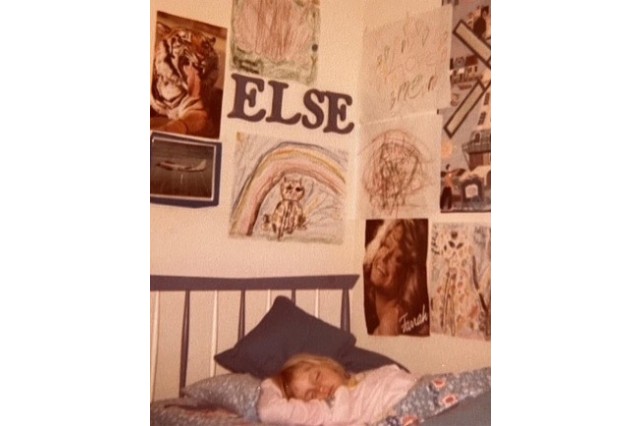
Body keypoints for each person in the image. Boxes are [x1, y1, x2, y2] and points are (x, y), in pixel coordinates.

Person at [257, 353, 419, 425]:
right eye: (311, 395)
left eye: (317, 377)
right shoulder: (325, 410)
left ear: (327, 364)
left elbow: (398, 381)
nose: (321, 389)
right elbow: (269, 411)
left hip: (424, 393)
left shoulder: (366, 376)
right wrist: (272, 383)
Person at [363, 219, 429, 336]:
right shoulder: (395, 317)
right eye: (385, 245)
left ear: (408, 276)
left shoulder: (389, 324)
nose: (384, 258)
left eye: (397, 259)